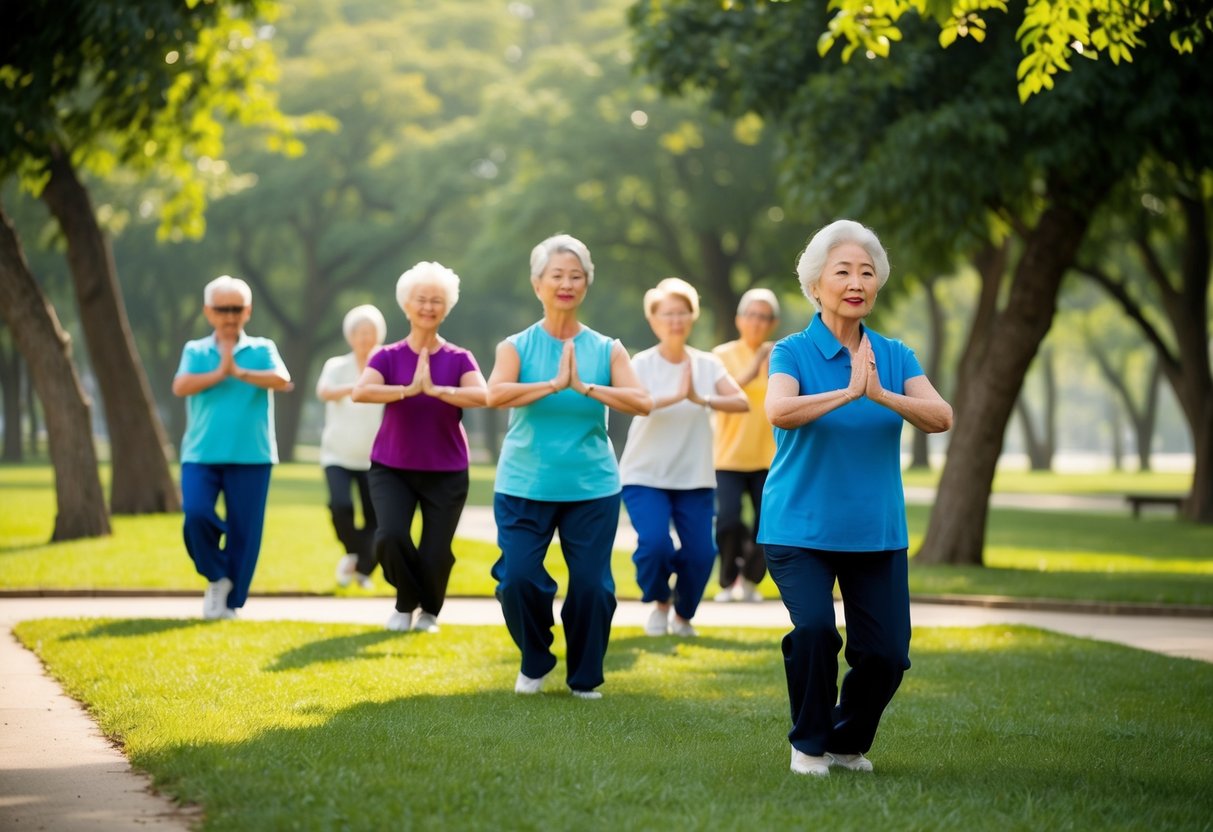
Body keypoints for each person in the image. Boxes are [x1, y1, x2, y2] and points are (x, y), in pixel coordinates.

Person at [758, 220, 952, 777]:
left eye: (867, 272)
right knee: (816, 631)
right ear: (816, 285)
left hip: (876, 530)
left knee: (887, 654)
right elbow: (778, 410)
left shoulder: (893, 355)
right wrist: (845, 393)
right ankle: (809, 743)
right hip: (799, 527)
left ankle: (846, 742)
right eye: (842, 271)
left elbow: (941, 416)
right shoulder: (792, 351)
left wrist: (881, 393)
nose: (856, 281)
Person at [486, 233, 652, 699]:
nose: (566, 283)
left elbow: (642, 401)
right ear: (537, 284)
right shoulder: (515, 346)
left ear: (586, 285)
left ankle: (584, 677)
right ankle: (536, 658)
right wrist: (553, 384)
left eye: (575, 276)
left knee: (594, 589)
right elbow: (492, 394)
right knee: (518, 579)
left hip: (591, 486)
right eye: (556, 275)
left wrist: (585, 388)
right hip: (523, 483)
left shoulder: (606, 348)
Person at [352, 262, 487, 634]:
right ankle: (405, 602)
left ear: (447, 308)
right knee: (390, 537)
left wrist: (443, 391)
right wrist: (407, 390)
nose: (429, 307)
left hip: (447, 469)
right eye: (422, 300)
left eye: (437, 301)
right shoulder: (388, 356)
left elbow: (483, 395)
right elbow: (361, 391)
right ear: (406, 305)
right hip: (391, 466)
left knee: (435, 551)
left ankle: (429, 611)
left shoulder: (459, 358)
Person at [618, 277, 748, 638]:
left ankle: (683, 615)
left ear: (692, 317)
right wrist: (677, 395)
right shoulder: (640, 363)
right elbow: (636, 404)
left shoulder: (707, 365)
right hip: (645, 475)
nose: (675, 320)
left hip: (694, 478)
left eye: (682, 313)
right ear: (654, 320)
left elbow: (741, 401)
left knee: (701, 553)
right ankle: (660, 602)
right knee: (656, 545)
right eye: (667, 314)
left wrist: (701, 398)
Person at [172, 275, 293, 620]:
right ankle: (216, 575)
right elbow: (180, 386)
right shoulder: (196, 350)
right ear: (208, 312)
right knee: (195, 515)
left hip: (252, 456)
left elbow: (281, 380)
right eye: (222, 309)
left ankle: (229, 602)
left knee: (246, 530)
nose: (229, 316)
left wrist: (237, 371)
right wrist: (220, 372)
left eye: (236, 308)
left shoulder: (262, 348)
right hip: (200, 454)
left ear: (248, 311)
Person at [711, 288, 781, 603]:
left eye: (764, 317)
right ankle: (728, 581)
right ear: (739, 319)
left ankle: (752, 580)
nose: (757, 322)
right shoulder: (721, 355)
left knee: (768, 523)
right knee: (727, 520)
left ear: (773, 323)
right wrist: (754, 367)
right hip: (728, 456)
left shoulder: (781, 355)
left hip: (769, 457)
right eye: (751, 315)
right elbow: (720, 396)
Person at [316, 304, 388, 590]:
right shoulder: (336, 366)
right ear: (350, 336)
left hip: (375, 457)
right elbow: (324, 392)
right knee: (340, 505)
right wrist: (355, 388)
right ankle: (355, 555)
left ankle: (361, 567)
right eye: (359, 332)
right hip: (338, 454)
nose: (364, 338)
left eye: (370, 332)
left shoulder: (385, 365)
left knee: (376, 518)